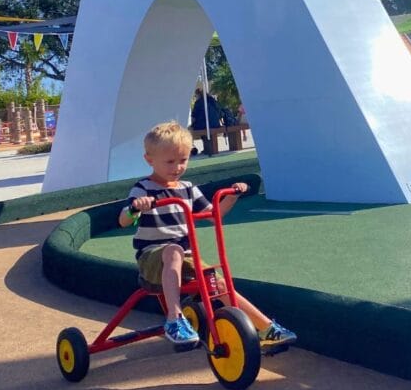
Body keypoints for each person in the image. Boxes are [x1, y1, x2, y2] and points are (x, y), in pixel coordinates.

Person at [118, 121, 297, 347]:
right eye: (170, 162)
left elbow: (214, 216)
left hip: (185, 257)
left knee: (218, 284)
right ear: (149, 160)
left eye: (183, 160)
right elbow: (124, 220)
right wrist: (136, 208)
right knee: (173, 250)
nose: (177, 167)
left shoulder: (188, 188)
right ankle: (174, 319)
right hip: (152, 259)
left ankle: (265, 328)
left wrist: (230, 198)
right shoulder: (143, 188)